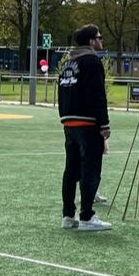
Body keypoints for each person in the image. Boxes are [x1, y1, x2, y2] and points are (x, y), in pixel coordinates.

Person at [58, 24, 112, 232]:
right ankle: (87, 216)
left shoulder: (68, 62)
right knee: (91, 170)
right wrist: (104, 123)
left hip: (69, 122)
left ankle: (68, 214)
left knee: (71, 170)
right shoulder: (92, 61)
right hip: (88, 122)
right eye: (99, 37)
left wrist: (64, 116)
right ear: (91, 41)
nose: (101, 41)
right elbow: (98, 94)